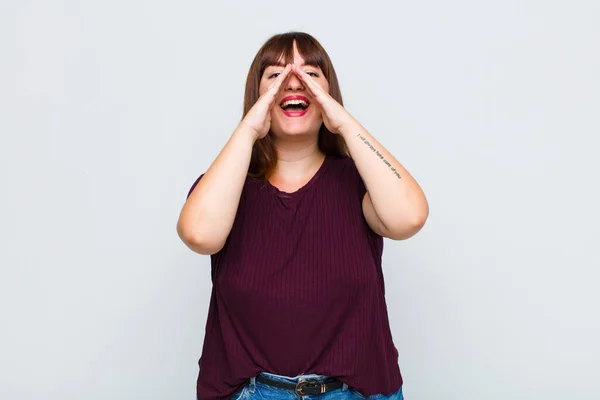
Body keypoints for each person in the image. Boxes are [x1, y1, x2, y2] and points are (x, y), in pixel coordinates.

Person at [177, 31, 429, 400]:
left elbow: (410, 217)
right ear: (257, 96)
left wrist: (342, 122)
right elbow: (199, 235)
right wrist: (248, 129)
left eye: (311, 74)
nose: (294, 82)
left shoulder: (360, 183)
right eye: (275, 76)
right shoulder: (226, 187)